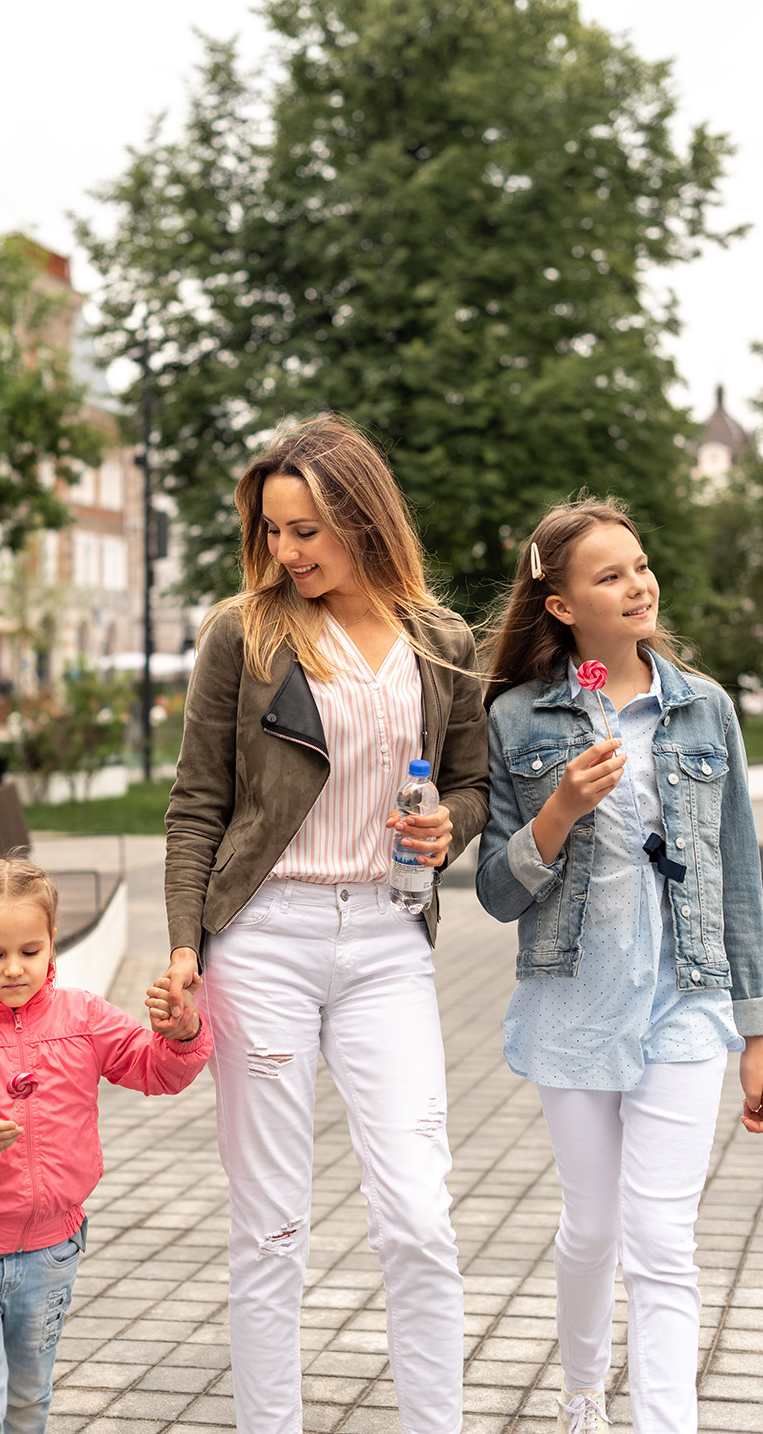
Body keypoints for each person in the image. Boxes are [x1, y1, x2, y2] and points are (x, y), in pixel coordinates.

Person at [161, 414, 489, 1434]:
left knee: (417, 1218)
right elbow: (195, 803)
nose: (287, 552)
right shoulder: (243, 635)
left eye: (307, 529)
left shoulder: (440, 641)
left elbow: (471, 786)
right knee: (269, 1225)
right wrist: (183, 948)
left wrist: (447, 829)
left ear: (361, 518)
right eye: (271, 530)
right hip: (261, 939)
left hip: (387, 942)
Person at [476, 498, 763, 1434]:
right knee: (592, 1229)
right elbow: (493, 891)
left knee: (661, 1242)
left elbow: (738, 878)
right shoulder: (518, 718)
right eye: (609, 576)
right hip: (572, 1004)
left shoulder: (702, 707)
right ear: (559, 606)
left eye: (638, 566)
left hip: (683, 1003)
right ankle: (582, 1392)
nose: (637, 585)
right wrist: (557, 808)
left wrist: (756, 1027)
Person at [0, 855, 211, 1434]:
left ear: (52, 942)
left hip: (50, 1254)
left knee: (27, 1405)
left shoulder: (83, 1018)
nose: (14, 969)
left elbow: (153, 1070)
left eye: (29, 952)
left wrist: (182, 1033)